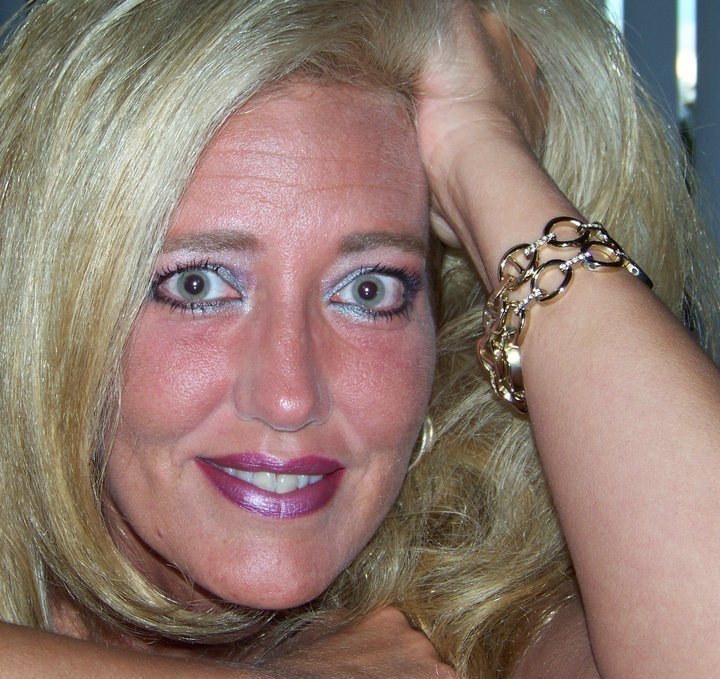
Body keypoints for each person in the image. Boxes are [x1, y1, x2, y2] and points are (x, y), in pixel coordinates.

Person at [0, 0, 718, 677]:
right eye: (197, 286)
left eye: (368, 290)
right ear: (55, 309)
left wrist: (480, 149)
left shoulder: (479, 619)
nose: (289, 397)